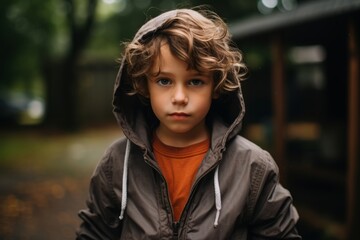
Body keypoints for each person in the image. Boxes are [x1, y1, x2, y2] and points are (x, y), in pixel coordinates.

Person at [76, 7, 301, 239]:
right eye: (164, 81)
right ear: (144, 86)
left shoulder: (252, 166)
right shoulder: (117, 162)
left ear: (215, 85)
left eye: (195, 81)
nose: (180, 97)